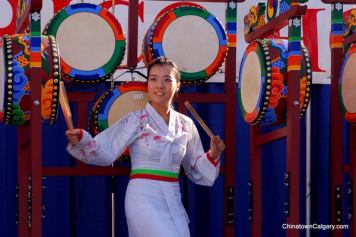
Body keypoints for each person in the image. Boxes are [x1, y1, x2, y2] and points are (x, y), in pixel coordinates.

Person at [65, 57, 225, 237]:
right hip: (143, 196)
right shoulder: (135, 120)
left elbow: (194, 168)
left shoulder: (185, 124)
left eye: (167, 79)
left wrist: (213, 153)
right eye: (154, 79)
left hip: (172, 197)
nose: (160, 85)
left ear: (177, 85)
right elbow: (104, 148)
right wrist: (80, 139)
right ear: (147, 84)